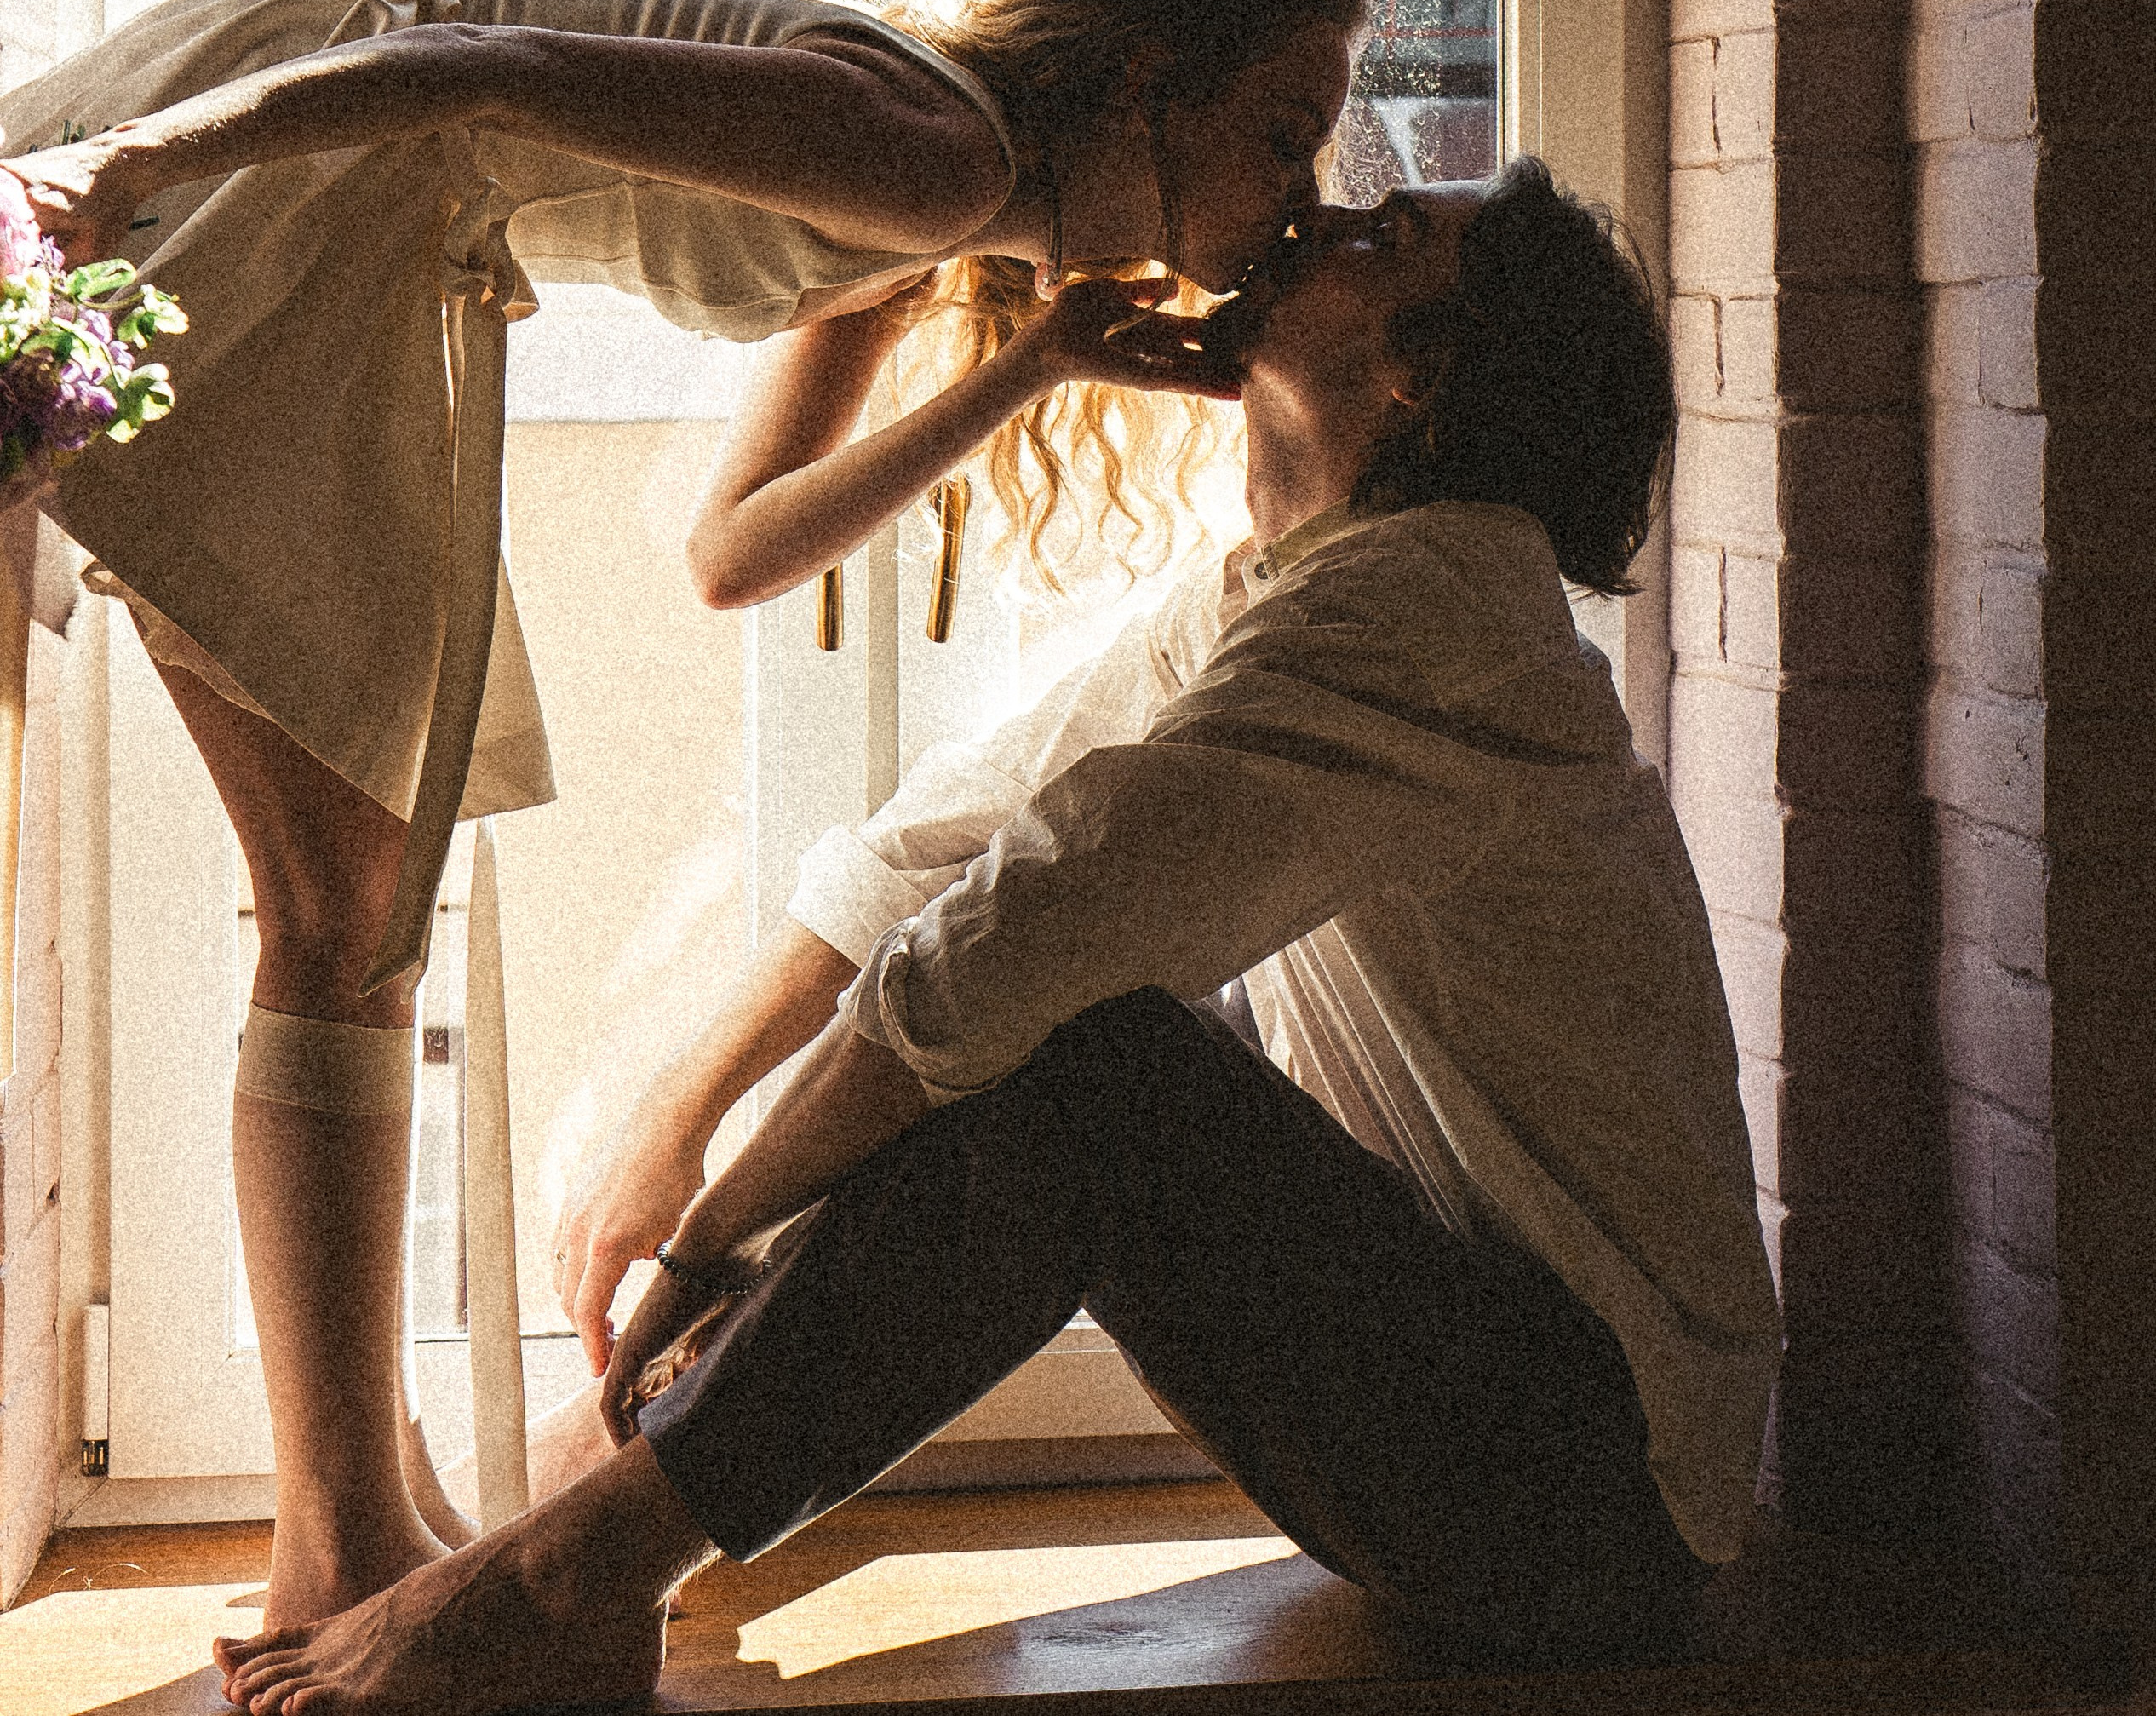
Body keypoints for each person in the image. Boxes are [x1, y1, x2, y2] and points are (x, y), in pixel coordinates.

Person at [212, 164, 1780, 1716]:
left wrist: (708, 1246)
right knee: (1054, 1010)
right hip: (1489, 1426)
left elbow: (1003, 947)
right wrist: (675, 1117)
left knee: (1092, 1062)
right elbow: (946, 842)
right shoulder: (1285, 589)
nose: (1310, 216)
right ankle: (593, 1536)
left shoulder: (1437, 609)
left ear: (1415, 372)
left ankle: (568, 1574)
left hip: (1589, 1507)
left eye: (1383, 238)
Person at [1, 0, 1360, 1626]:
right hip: (303, 179)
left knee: (345, 922)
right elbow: (467, 60)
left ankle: (352, 1506)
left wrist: (1032, 364)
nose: (1298, 197)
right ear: (1144, 87)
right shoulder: (931, 153)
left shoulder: (944, 200)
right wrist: (132, 167)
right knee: (345, 921)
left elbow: (738, 550)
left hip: (354, 209)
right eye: (1281, 133)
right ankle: (334, 1543)